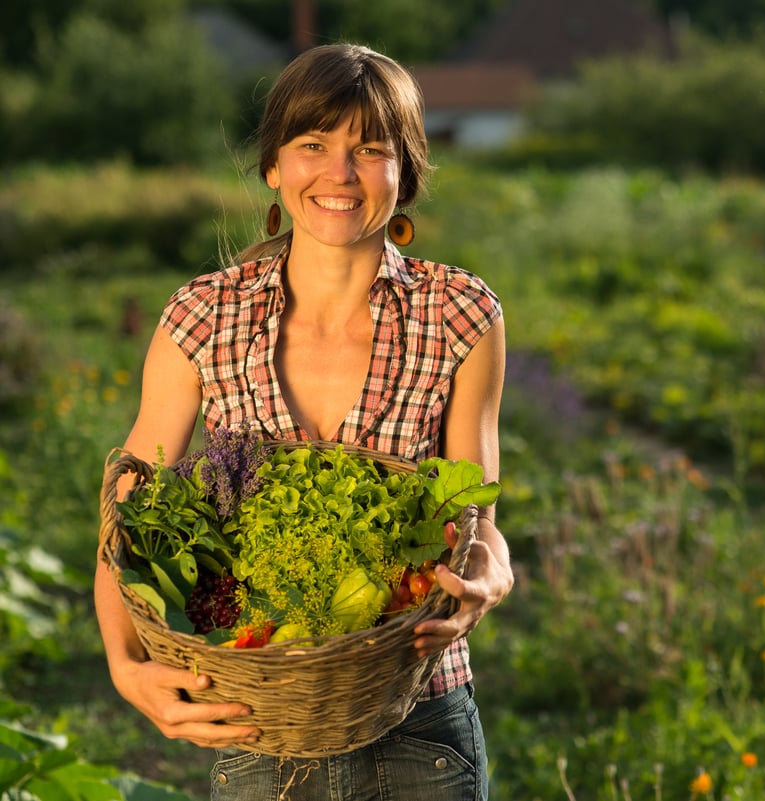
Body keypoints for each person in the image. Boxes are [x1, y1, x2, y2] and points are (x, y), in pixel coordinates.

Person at [93, 43, 512, 801]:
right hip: (258, 718)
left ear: (406, 174)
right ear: (273, 168)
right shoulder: (203, 315)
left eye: (370, 149)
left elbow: (472, 515)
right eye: (313, 145)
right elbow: (129, 514)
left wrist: (492, 572)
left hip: (421, 718)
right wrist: (127, 669)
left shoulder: (461, 314)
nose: (339, 174)